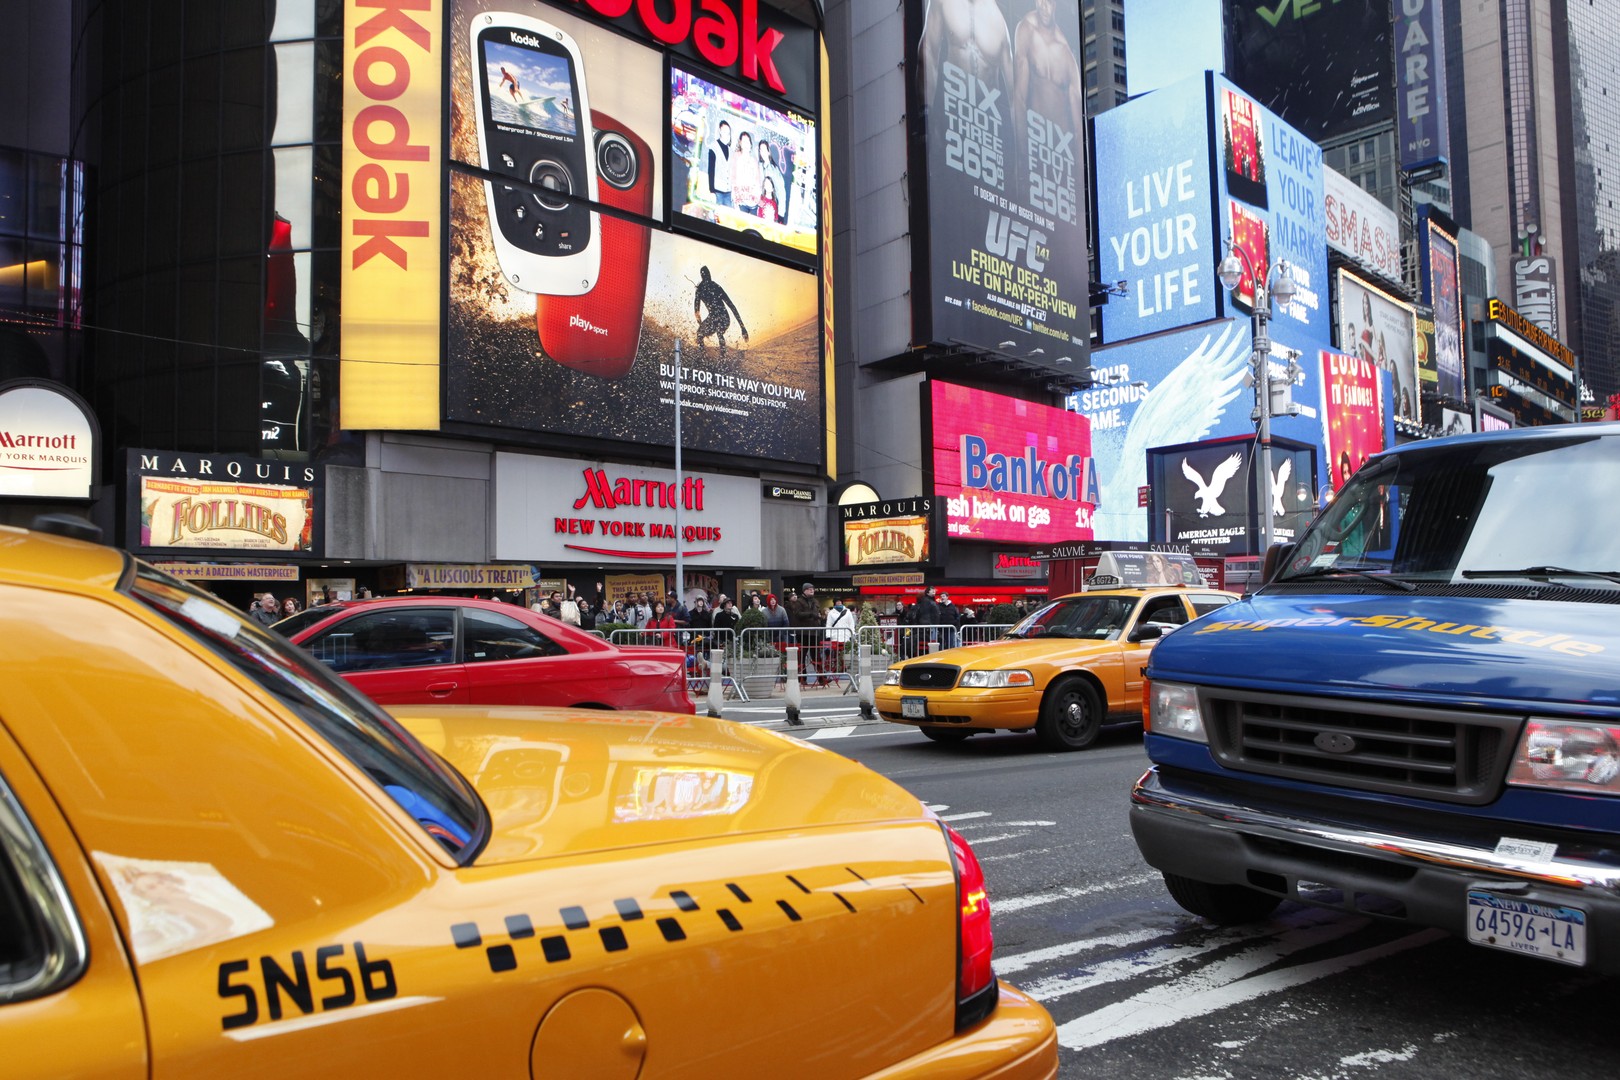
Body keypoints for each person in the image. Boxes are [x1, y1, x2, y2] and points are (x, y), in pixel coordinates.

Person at [1011, 0, 1083, 207]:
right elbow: (1018, 99)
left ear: (1056, 5)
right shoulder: (1026, 29)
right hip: (1034, 150)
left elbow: (1078, 131)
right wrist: (1022, 158)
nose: (1043, 6)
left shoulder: (1068, 55)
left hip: (1060, 160)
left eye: (1049, 1)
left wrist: (1077, 187)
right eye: (1040, 0)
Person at [693, 265, 748, 356]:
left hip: (724, 317)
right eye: (705, 275)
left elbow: (731, 306)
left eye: (708, 275)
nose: (708, 277)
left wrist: (742, 327)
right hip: (712, 318)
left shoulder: (716, 287)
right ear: (702, 277)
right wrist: (701, 325)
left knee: (719, 331)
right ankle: (702, 357)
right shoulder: (700, 290)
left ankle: (723, 357)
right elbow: (696, 311)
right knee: (699, 334)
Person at [786, 582, 825, 685]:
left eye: (813, 588)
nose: (812, 590)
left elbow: (818, 612)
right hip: (803, 632)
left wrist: (819, 616)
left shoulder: (815, 601)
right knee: (802, 655)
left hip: (814, 631)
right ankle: (802, 678)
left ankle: (822, 678)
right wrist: (811, 614)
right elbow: (797, 614)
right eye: (809, 589)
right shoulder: (799, 602)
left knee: (816, 655)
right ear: (804, 591)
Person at [824, 596, 857, 684]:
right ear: (834, 603)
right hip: (835, 636)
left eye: (840, 601)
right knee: (835, 655)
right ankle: (836, 670)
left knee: (846, 653)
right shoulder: (831, 613)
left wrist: (852, 634)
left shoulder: (848, 612)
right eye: (837, 601)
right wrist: (828, 636)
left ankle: (845, 668)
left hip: (846, 635)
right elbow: (829, 624)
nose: (839, 602)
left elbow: (851, 623)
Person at [731, 130, 762, 216]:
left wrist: (757, 198)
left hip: (753, 202)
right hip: (741, 202)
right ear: (740, 143)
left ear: (751, 144)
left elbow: (757, 181)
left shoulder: (754, 161)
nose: (746, 144)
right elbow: (733, 178)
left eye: (748, 141)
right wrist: (735, 199)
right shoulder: (736, 157)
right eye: (744, 141)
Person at [706, 118, 733, 207]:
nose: (726, 134)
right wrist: (712, 191)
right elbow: (711, 170)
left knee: (727, 219)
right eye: (724, 131)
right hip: (717, 191)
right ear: (720, 131)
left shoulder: (730, 150)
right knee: (716, 216)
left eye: (728, 132)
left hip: (728, 192)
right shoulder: (713, 147)